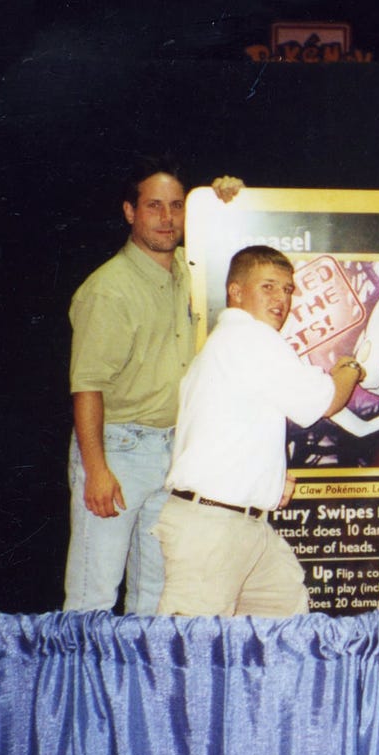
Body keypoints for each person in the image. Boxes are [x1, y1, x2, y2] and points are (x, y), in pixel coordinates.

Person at [64, 159, 243, 614]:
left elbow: (241, 257)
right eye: (154, 206)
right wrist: (96, 470)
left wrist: (223, 202)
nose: (168, 218)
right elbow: (87, 386)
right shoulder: (108, 289)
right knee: (93, 596)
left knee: (155, 597)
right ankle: (79, 688)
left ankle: (139, 688)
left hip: (173, 453)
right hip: (117, 450)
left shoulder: (189, 269)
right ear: (130, 212)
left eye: (178, 207)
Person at [154, 246, 363, 617]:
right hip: (212, 529)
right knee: (187, 655)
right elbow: (323, 402)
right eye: (268, 287)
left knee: (285, 619)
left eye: (287, 289)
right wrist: (349, 369)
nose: (281, 298)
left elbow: (236, 428)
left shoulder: (232, 345)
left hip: (243, 524)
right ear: (236, 291)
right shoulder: (250, 339)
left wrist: (268, 479)